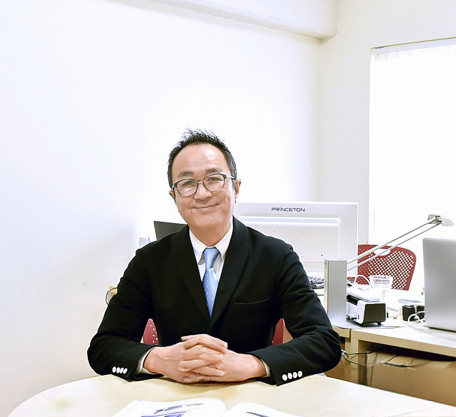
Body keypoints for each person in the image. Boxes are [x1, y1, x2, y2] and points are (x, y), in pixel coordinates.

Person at [87, 129, 341, 385]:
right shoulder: (150, 261)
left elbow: (323, 341)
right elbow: (104, 346)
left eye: (214, 179)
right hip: (174, 397)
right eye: (187, 183)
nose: (202, 194)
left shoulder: (276, 257)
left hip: (252, 396)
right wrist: (159, 359)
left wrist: (251, 363)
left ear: (236, 187)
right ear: (174, 197)